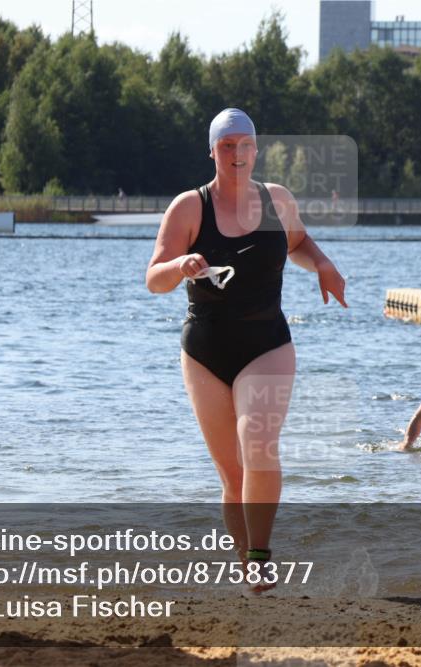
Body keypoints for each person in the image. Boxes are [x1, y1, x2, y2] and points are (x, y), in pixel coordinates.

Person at [146, 108, 348, 590]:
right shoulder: (189, 207)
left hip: (267, 344)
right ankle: (246, 564)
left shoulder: (276, 200)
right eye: (227, 146)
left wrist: (322, 263)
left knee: (258, 447)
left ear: (257, 149)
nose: (238, 154)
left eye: (246, 145)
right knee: (232, 473)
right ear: (212, 151)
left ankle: (260, 554)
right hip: (205, 352)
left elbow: (299, 243)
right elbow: (153, 278)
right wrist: (181, 265)